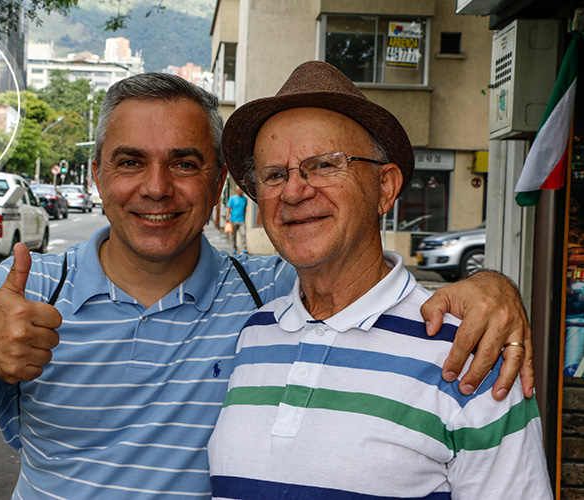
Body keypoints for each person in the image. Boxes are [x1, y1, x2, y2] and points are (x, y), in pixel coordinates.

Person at [0, 72, 532, 500]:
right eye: (129, 162)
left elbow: (356, 278)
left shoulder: (268, 296)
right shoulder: (29, 293)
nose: (154, 187)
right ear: (96, 179)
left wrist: (492, 285)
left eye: (183, 162)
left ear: (215, 187)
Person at [208, 61, 551, 499]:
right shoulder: (255, 332)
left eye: (325, 165)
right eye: (275, 175)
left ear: (385, 188)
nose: (293, 192)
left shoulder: (471, 350)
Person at [226, 185, 247, 253]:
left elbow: (245, 209)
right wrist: (227, 217)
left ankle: (243, 249)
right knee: (233, 236)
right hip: (233, 220)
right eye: (240, 189)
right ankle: (234, 249)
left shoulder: (245, 199)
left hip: (242, 220)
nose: (242, 191)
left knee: (243, 234)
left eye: (242, 190)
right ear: (236, 190)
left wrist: (244, 216)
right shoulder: (232, 198)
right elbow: (229, 208)